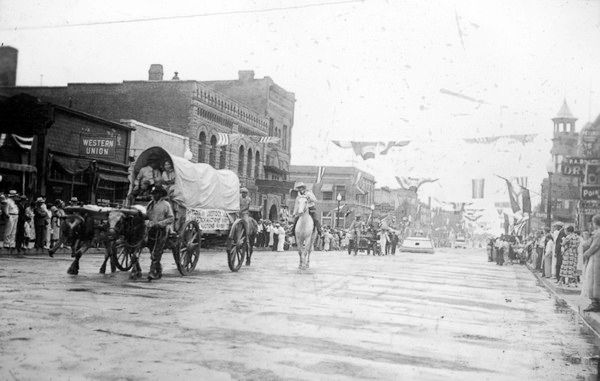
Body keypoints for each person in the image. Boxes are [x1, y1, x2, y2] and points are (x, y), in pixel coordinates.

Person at [145, 185, 174, 280]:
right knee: (151, 249)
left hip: (162, 230)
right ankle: (158, 269)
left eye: (156, 194)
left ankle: (152, 272)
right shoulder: (150, 204)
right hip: (151, 230)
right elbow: (146, 216)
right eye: (153, 194)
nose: (154, 195)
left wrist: (160, 224)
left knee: (156, 251)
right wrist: (147, 222)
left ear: (160, 195)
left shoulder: (166, 205)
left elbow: (171, 218)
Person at [582, 214, 600, 312]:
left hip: (596, 260)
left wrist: (586, 254)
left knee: (593, 279)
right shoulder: (596, 233)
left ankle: (595, 303)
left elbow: (594, 246)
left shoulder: (598, 233)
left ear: (595, 223)